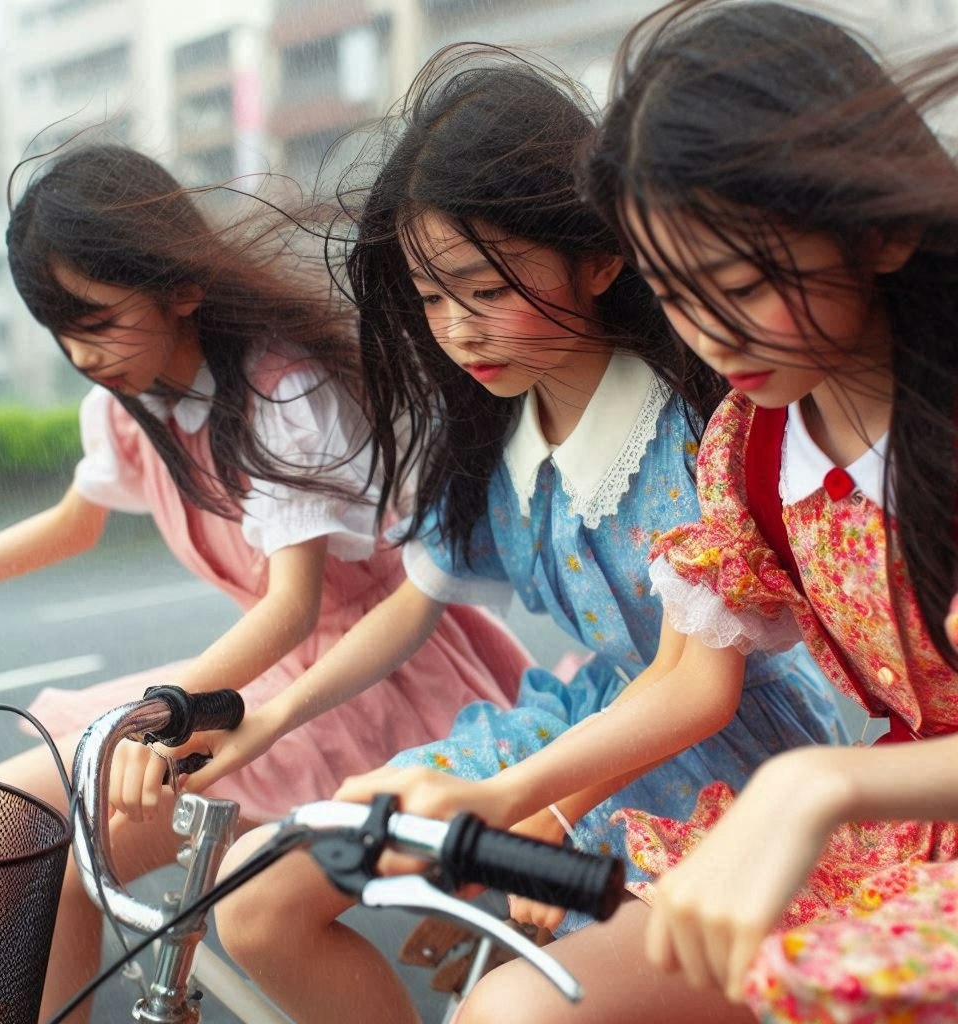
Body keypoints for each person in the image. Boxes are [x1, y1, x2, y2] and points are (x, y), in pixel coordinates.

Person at [178, 46, 844, 1024]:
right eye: (434, 297)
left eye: (485, 288)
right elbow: (412, 606)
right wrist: (269, 713)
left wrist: (544, 809)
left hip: (719, 761)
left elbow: (697, 686)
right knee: (263, 885)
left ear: (598, 256)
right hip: (580, 724)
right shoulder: (497, 435)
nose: (456, 330)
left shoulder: (691, 430)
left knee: (511, 1002)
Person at [0, 143, 530, 1021]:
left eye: (96, 319)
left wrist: (156, 714)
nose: (80, 352)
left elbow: (292, 610)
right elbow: (75, 521)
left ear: (179, 287)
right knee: (12, 821)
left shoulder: (283, 391)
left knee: (86, 851)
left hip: (372, 680)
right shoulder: (129, 405)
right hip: (260, 677)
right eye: (61, 329)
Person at [502, 1, 958, 1021]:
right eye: (672, 293)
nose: (709, 336)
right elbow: (690, 678)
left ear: (879, 232)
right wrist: (504, 794)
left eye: (741, 283)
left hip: (886, 832)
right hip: (894, 847)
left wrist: (818, 785)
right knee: (520, 1007)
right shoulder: (748, 444)